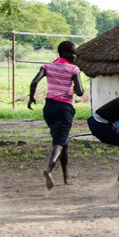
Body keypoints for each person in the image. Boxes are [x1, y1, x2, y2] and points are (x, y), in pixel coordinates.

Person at [28, 41, 84, 190]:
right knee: (59, 143)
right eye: (73, 53)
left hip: (49, 108)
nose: (75, 56)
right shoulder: (73, 69)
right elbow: (80, 91)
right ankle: (48, 169)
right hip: (64, 108)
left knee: (62, 140)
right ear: (65, 53)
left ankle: (66, 176)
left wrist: (31, 98)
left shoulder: (47, 66)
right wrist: (76, 88)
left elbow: (34, 82)